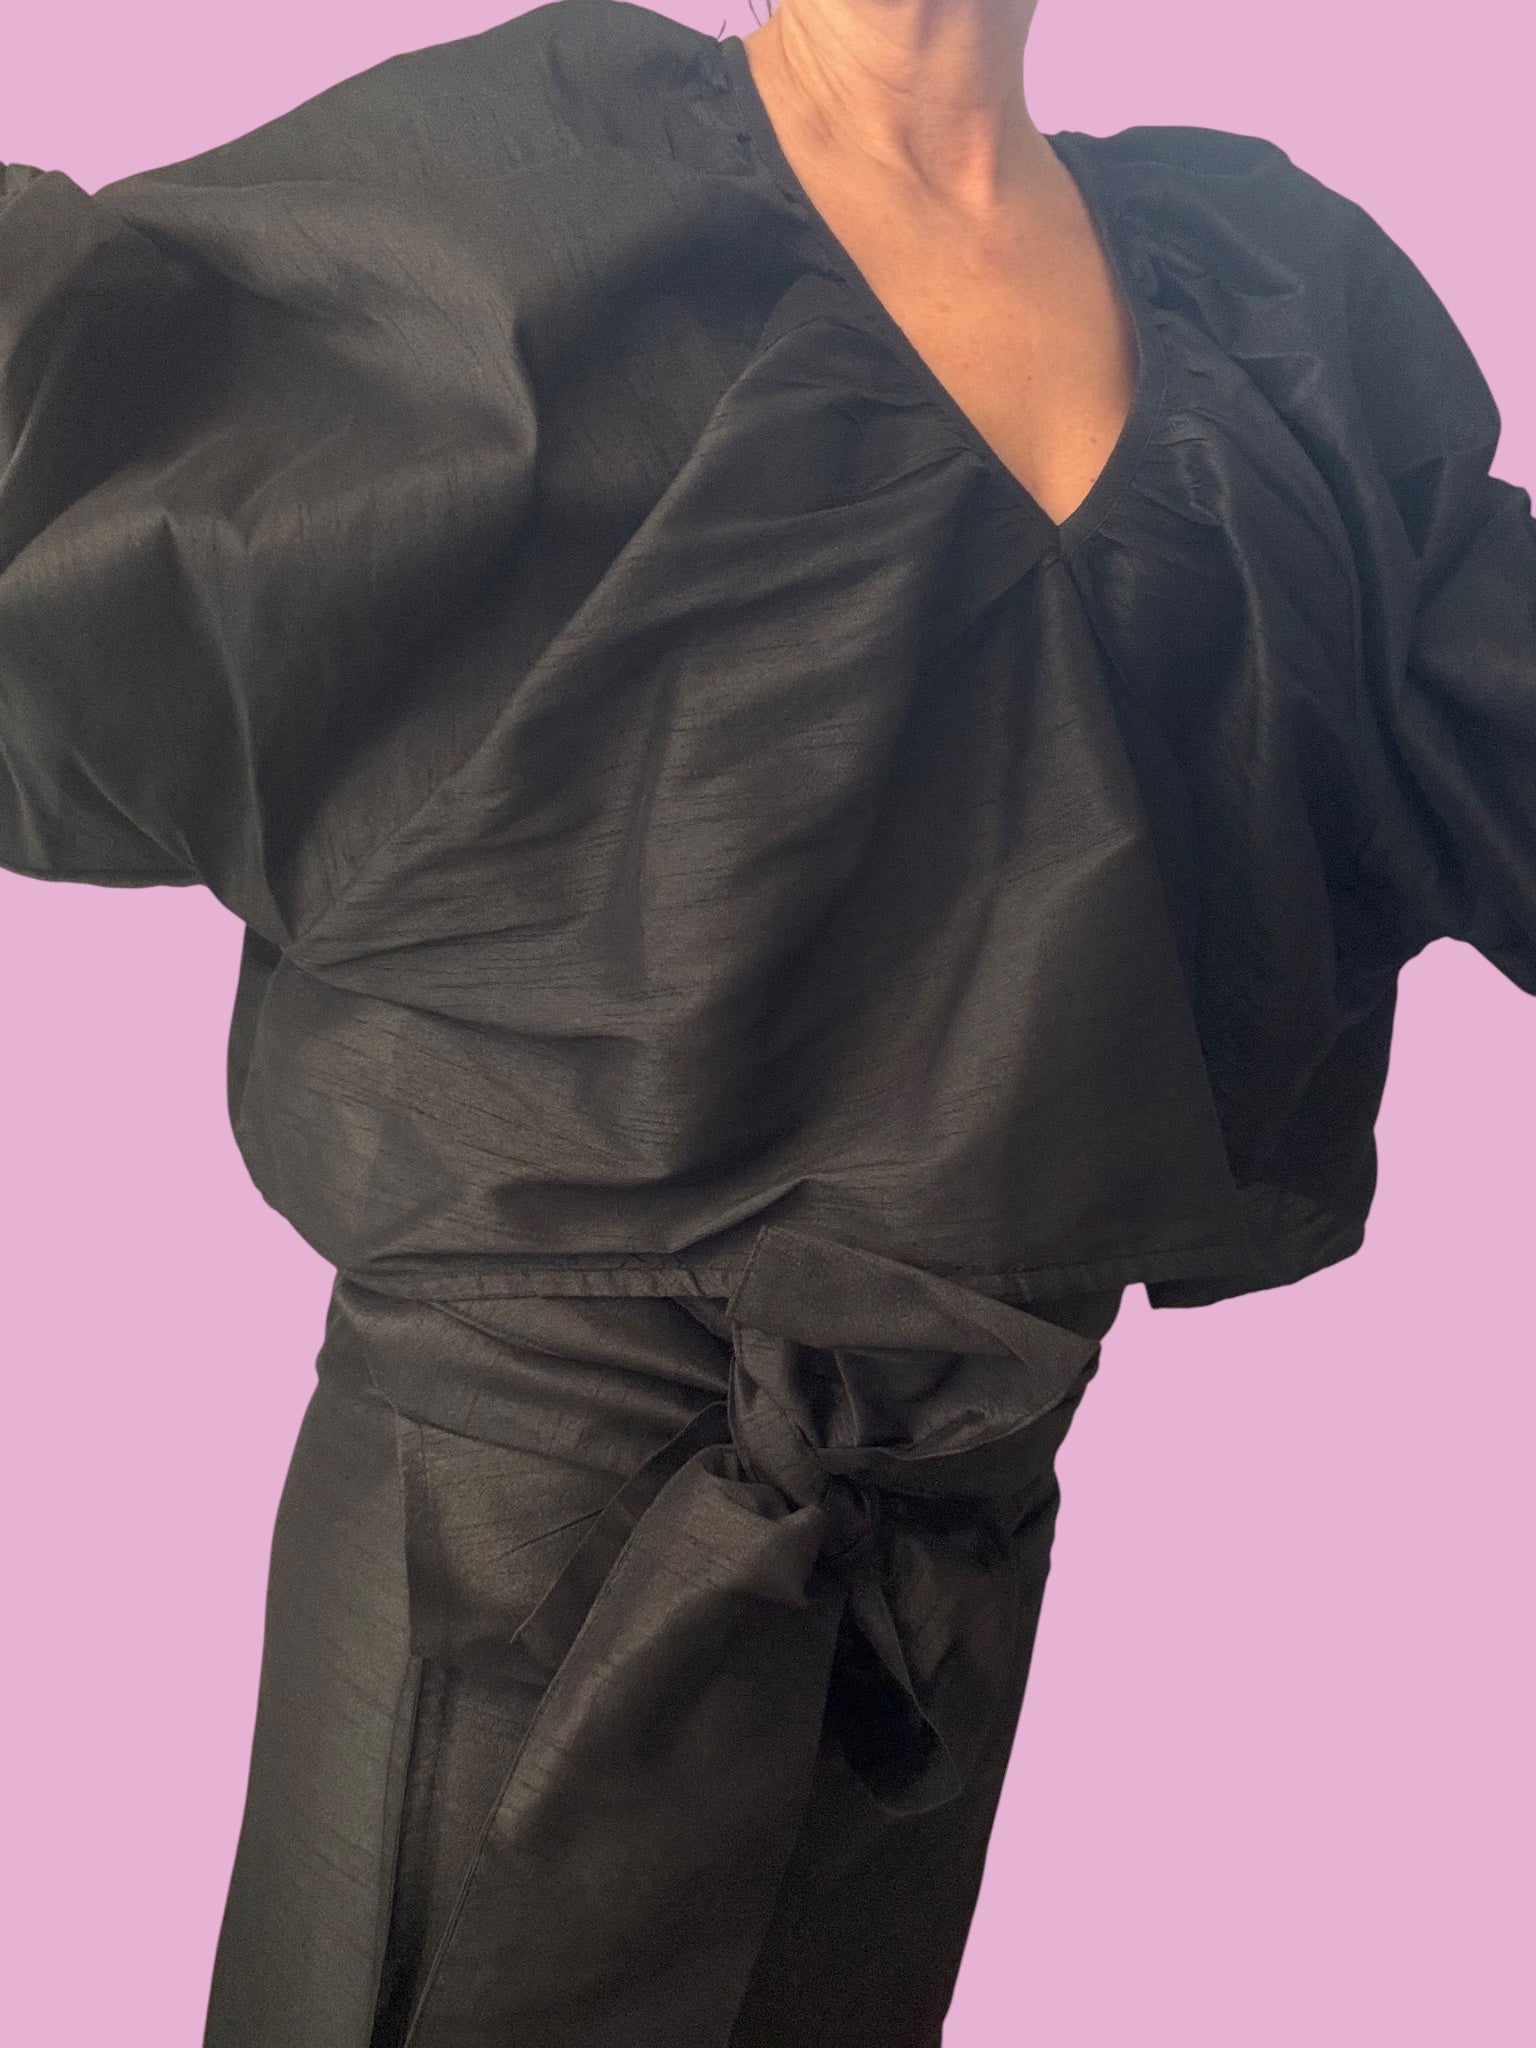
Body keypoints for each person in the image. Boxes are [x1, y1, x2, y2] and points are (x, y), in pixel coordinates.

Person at [2, 2, 1532, 2042]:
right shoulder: (544, 188)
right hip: (514, 1547)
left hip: (939, 1571)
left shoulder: (1276, 303)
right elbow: (75, 430)